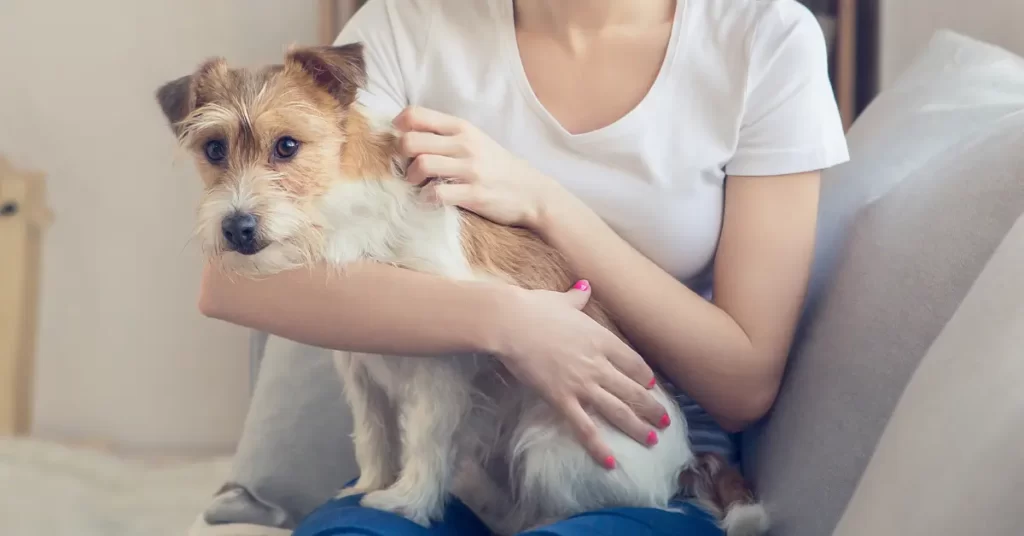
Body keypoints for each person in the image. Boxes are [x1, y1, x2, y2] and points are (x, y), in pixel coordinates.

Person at [197, 0, 849, 534]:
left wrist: (543, 201)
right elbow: (237, 283)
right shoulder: (407, 25)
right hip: (441, 462)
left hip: (628, 454)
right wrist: (508, 321)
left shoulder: (765, 39)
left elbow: (743, 382)